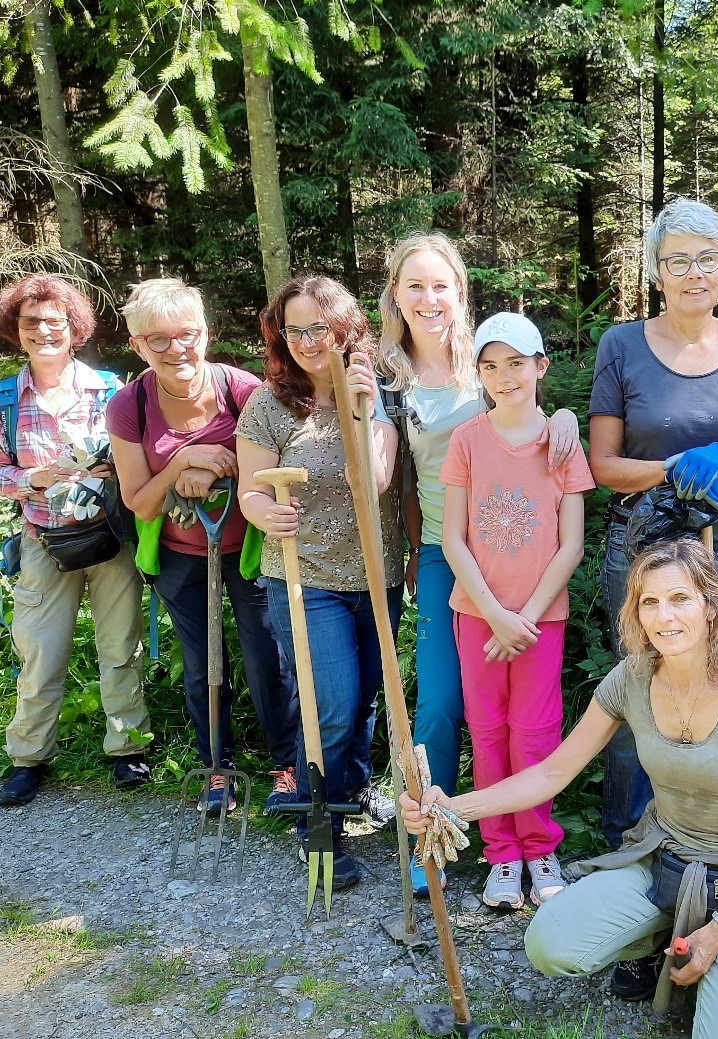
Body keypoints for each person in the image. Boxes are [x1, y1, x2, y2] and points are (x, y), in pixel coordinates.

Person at [401, 539, 718, 1035]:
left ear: (712, 605)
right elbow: (551, 773)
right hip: (666, 861)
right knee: (551, 943)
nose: (664, 616)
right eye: (649, 602)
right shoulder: (631, 678)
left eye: (680, 598)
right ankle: (659, 938)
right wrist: (451, 806)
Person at [374, 233, 579, 894]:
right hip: (446, 555)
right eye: (415, 286)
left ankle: (526, 842)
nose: (428, 298)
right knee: (439, 704)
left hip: (523, 576)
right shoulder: (385, 373)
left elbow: (536, 411)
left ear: (459, 291)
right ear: (396, 295)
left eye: (441, 285)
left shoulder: (485, 359)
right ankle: (435, 830)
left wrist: (567, 416)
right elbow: (383, 469)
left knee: (528, 718)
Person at [588, 197, 718, 867]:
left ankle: (717, 838)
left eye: (707, 258)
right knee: (640, 680)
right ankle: (628, 836)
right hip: (642, 543)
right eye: (678, 261)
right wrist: (672, 468)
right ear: (656, 272)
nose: (694, 272)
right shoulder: (622, 346)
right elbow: (604, 465)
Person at [106, 278, 301, 815]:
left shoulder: (241, 389)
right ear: (138, 345)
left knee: (269, 659)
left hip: (251, 551)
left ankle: (287, 764)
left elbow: (268, 458)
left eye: (186, 334)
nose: (176, 349)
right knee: (201, 662)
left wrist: (217, 458)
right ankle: (217, 765)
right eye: (157, 340)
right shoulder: (130, 405)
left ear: (206, 333)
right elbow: (140, 502)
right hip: (180, 557)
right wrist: (179, 465)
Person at [237, 274, 403, 886]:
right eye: (295, 329)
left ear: (345, 325)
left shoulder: (377, 390)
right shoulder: (268, 403)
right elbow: (251, 491)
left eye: (319, 326)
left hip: (376, 573)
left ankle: (350, 793)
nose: (308, 340)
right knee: (331, 700)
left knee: (360, 699)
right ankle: (319, 820)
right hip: (304, 575)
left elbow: (376, 481)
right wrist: (261, 509)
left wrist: (363, 405)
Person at [440, 312, 595, 910]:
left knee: (533, 733)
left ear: (540, 367)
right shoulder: (467, 441)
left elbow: (571, 543)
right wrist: (496, 614)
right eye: (490, 365)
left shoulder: (561, 443)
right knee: (488, 732)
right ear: (478, 374)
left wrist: (524, 618)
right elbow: (454, 537)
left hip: (539, 621)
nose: (504, 376)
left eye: (516, 363)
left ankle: (539, 846)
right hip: (479, 616)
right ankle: (501, 854)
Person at [0, 274, 151, 807]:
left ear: (73, 328)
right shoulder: (2, 399)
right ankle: (28, 758)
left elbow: (137, 455)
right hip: (42, 542)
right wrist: (36, 479)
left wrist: (110, 467)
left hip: (108, 538)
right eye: (31, 322)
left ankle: (128, 749)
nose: (44, 331)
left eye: (55, 321)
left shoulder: (110, 389)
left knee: (121, 646)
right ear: (17, 330)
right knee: (40, 652)